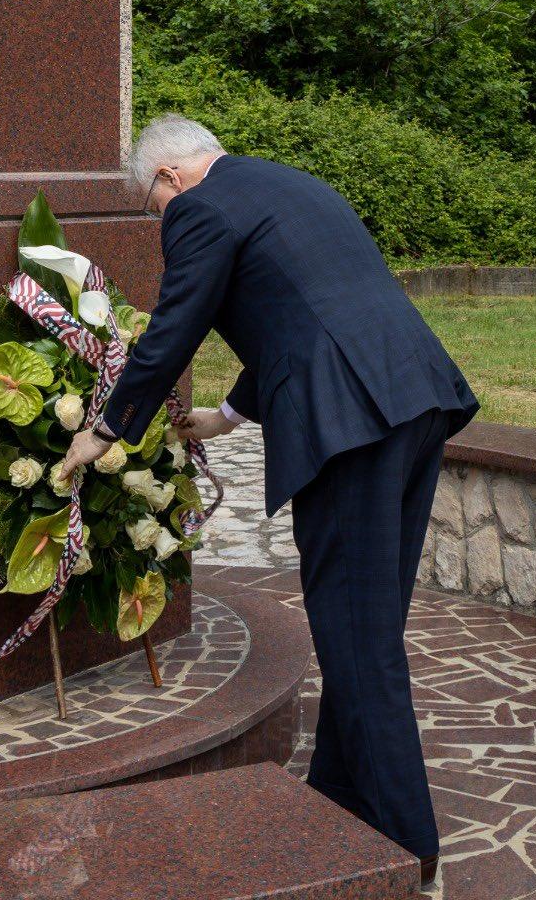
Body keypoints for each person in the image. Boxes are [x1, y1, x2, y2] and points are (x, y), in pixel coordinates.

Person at [60, 114, 480, 889]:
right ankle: (338, 795)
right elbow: (304, 307)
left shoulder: (196, 208)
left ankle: (404, 845)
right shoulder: (288, 183)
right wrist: (227, 415)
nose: (162, 222)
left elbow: (175, 327)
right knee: (367, 621)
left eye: (153, 209)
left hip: (350, 423)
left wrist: (106, 428)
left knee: (357, 634)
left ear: (168, 180)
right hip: (414, 398)